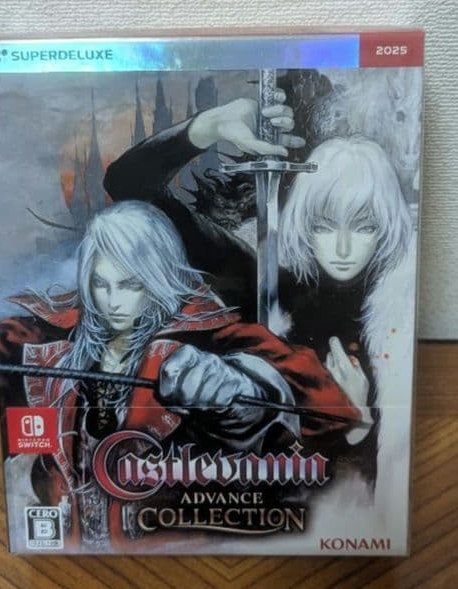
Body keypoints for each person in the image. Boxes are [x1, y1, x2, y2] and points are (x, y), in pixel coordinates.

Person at [0, 200, 363, 549]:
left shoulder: (205, 335)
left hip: (168, 543)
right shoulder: (54, 343)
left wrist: (237, 387)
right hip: (72, 545)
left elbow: (309, 396)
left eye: (131, 285)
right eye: (101, 284)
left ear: (157, 279)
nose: (113, 302)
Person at [103, 91, 416, 488]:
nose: (342, 249)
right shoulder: (261, 284)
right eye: (323, 225)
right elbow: (127, 183)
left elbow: (376, 492)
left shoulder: (397, 317)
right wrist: (210, 126)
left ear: (386, 227)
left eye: (363, 226)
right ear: (303, 222)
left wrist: (358, 428)